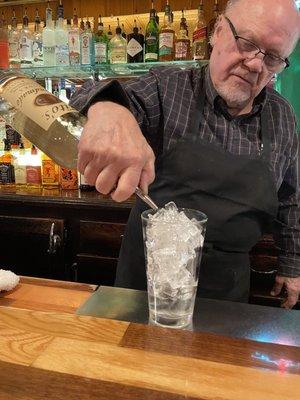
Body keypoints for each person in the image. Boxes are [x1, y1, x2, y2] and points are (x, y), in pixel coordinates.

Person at [70, 0, 300, 308]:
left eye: (272, 57)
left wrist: (292, 263)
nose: (256, 64)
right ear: (217, 32)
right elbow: (88, 92)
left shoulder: (282, 115)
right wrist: (109, 109)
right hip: (148, 288)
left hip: (227, 293)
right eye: (246, 43)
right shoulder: (168, 88)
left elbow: (290, 195)